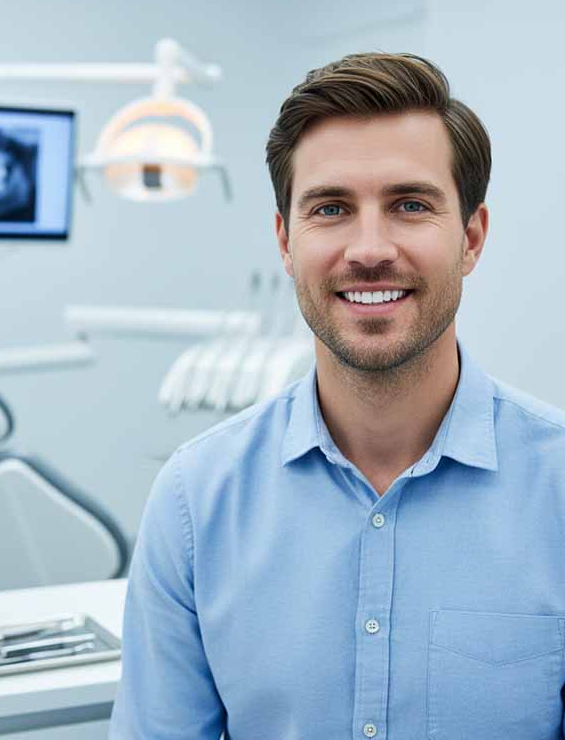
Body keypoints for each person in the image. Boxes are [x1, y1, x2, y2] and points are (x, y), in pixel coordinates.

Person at [108, 53, 565, 739]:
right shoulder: (194, 503)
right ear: (286, 242)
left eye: (410, 205)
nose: (370, 248)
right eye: (331, 209)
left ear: (471, 238)